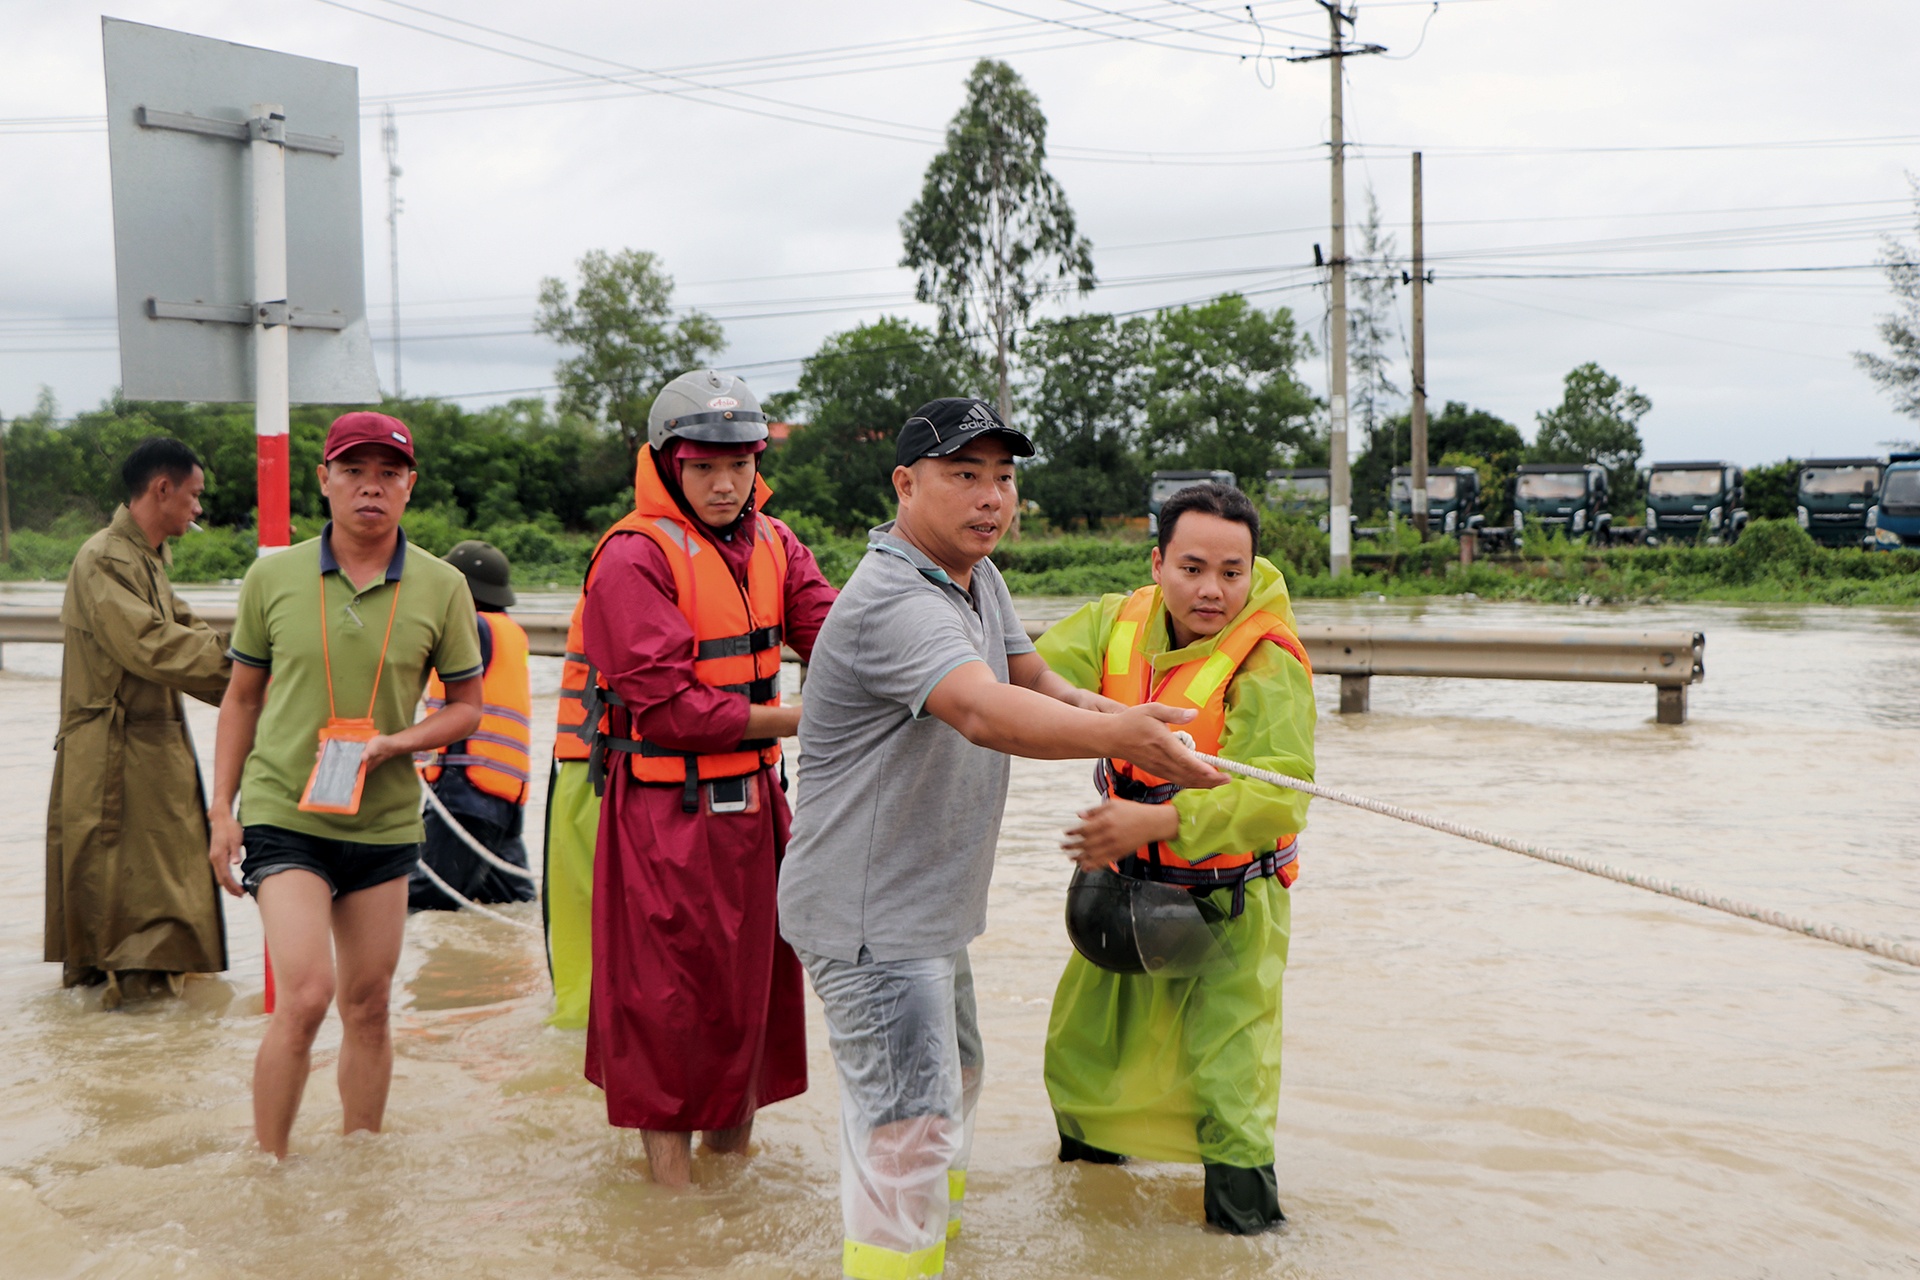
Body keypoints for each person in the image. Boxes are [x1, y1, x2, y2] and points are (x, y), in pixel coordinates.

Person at [778, 397, 1227, 1280]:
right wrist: (1123, 737)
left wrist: (1133, 721)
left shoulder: (975, 577)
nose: (992, 497)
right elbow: (983, 711)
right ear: (906, 485)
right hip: (871, 917)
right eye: (965, 475)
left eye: (1004, 476)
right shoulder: (894, 599)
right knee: (907, 1129)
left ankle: (935, 1255)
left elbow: (1033, 679)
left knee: (951, 1086)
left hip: (926, 908)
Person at [580, 369, 838, 1186]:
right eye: (704, 467)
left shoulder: (777, 543)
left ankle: (728, 1185)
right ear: (668, 464)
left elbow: (837, 635)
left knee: (748, 1001)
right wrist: (809, 720)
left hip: (757, 806)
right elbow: (672, 711)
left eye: (740, 464)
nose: (726, 484)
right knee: (664, 1008)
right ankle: (672, 1204)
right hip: (664, 812)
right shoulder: (632, 557)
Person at [1039, 481, 1315, 1234]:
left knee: (1232, 1091)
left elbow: (1279, 800)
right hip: (1117, 890)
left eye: (1232, 572)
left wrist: (1157, 821)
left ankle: (1245, 1239)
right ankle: (1089, 1228)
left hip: (1229, 908)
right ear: (1158, 563)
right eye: (1192, 569)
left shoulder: (1268, 662)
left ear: (1252, 571)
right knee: (1081, 1059)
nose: (1211, 590)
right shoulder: (1112, 622)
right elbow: (1020, 678)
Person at [207, 411, 484, 1159]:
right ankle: (268, 1174)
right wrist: (221, 811)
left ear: (410, 486)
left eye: (389, 474)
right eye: (354, 471)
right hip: (284, 812)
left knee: (368, 1006)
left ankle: (361, 1177)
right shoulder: (272, 576)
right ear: (323, 480)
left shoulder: (444, 586)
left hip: (383, 817)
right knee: (305, 996)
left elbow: (466, 707)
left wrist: (397, 743)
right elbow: (241, 699)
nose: (371, 487)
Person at [45, 436, 232, 1008]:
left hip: (144, 753)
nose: (198, 508)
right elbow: (152, 644)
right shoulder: (106, 558)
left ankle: (134, 1025)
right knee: (132, 912)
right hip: (115, 756)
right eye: (194, 495)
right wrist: (250, 677)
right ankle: (134, 1040)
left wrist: (256, 673)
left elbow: (190, 635)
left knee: (152, 894)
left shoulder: (144, 559)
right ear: (162, 489)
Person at [410, 540, 537, 911]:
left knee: (426, 897)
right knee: (515, 903)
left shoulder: (473, 628)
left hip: (465, 790)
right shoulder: (510, 632)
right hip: (504, 795)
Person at [543, 567, 611, 1029]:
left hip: (583, 769)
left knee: (579, 926)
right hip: (606, 768)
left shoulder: (620, 558)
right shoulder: (648, 560)